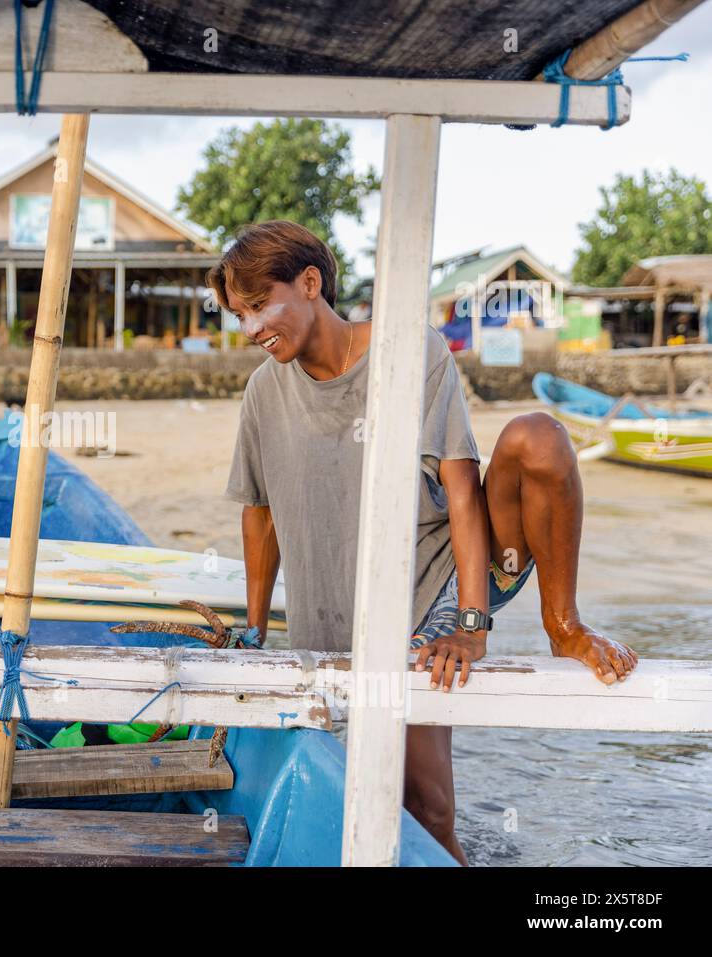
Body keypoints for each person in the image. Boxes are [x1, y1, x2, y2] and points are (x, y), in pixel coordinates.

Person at [213, 220, 638, 865]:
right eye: (240, 315)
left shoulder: (409, 352)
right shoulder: (262, 393)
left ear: (309, 282)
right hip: (336, 610)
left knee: (429, 807)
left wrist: (470, 625)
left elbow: (461, 490)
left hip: (439, 584)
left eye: (259, 305)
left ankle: (564, 623)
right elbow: (260, 513)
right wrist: (251, 632)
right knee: (386, 801)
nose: (251, 329)